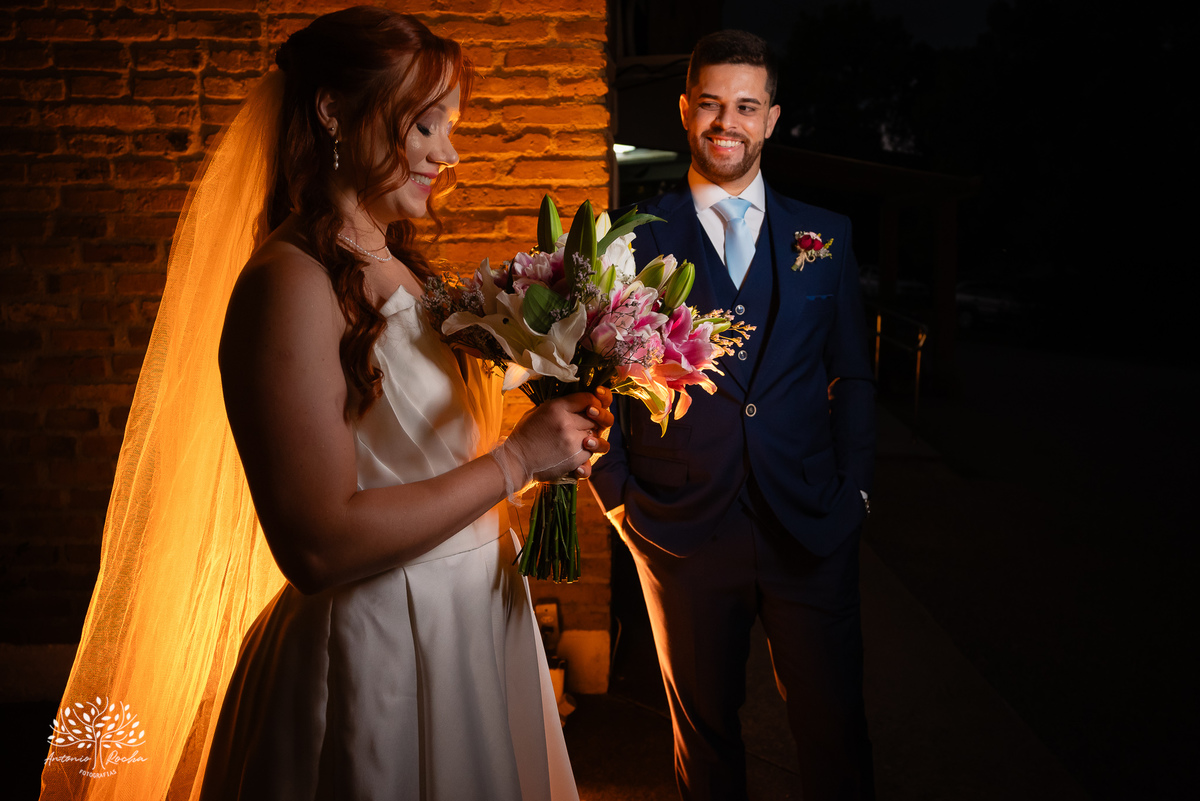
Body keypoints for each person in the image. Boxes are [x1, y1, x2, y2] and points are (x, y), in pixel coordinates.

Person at [41, 8, 607, 801]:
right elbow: (318, 546)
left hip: (470, 623)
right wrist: (515, 460)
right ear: (334, 111)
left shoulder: (399, 266)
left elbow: (418, 452)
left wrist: (549, 427)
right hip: (378, 653)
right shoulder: (289, 285)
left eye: (453, 125)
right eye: (425, 124)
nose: (449, 152)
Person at [590, 29, 877, 801]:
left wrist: (854, 491)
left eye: (745, 106)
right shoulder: (630, 237)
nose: (727, 122)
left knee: (836, 733)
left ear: (772, 118)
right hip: (679, 526)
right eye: (711, 104)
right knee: (705, 741)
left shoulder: (828, 236)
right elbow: (595, 377)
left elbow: (851, 371)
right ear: (685, 111)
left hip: (812, 523)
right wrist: (616, 494)